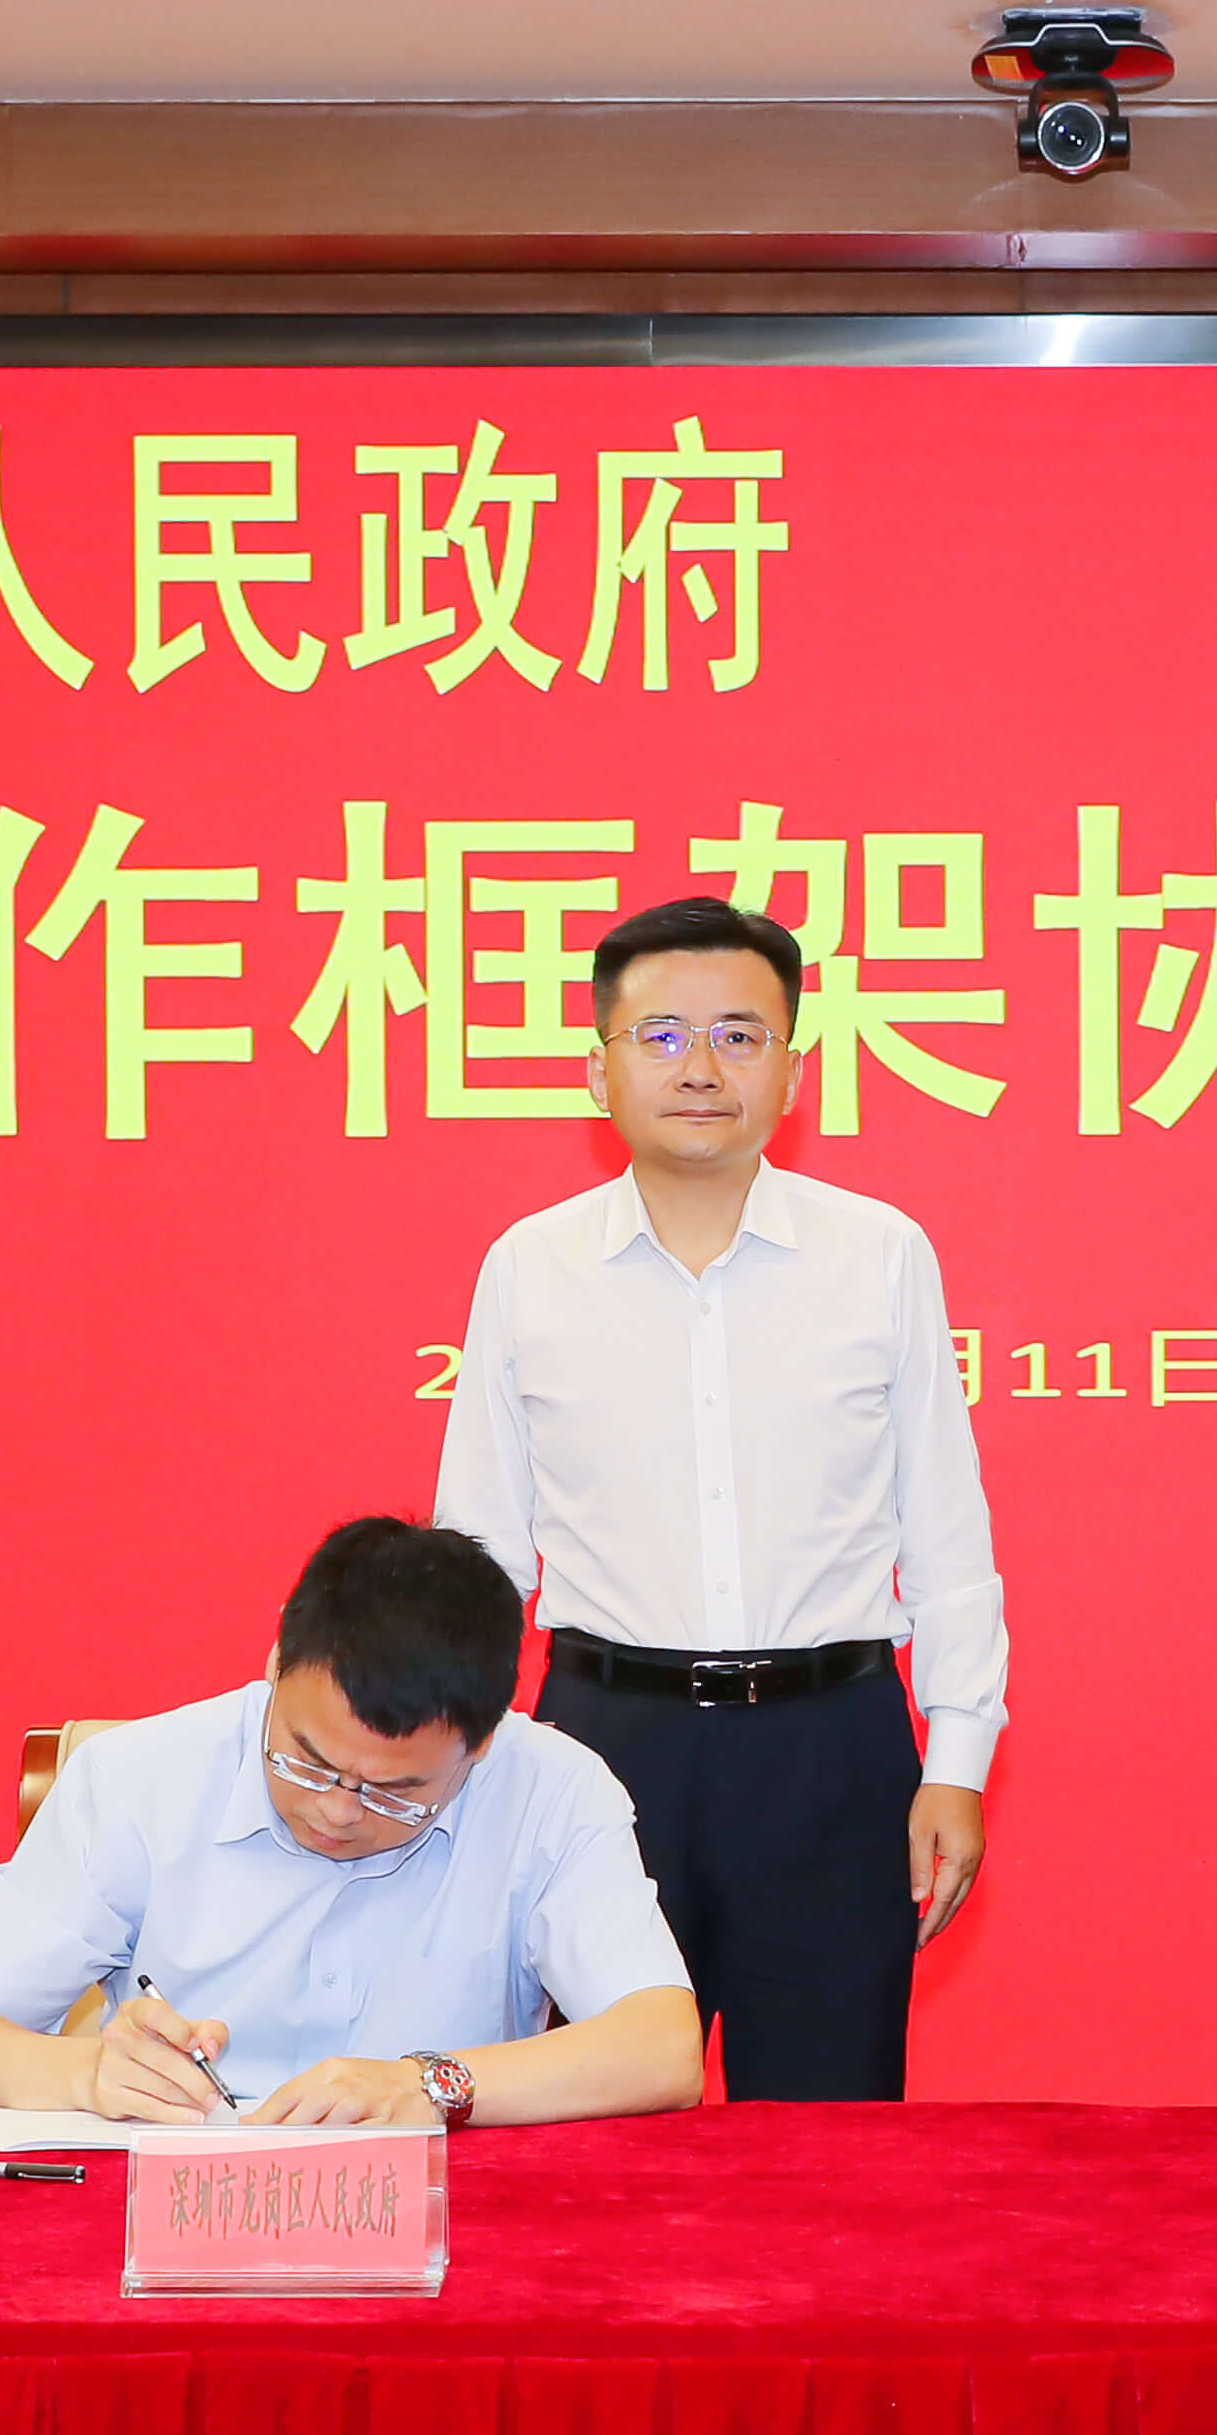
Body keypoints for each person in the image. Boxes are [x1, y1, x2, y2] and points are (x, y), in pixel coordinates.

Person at [434, 892, 1005, 2103]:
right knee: (593, 2129)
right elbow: (479, 1550)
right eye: (660, 1035)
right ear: (597, 1070)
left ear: (791, 1072)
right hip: (601, 1746)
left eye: (739, 1035)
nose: (700, 1067)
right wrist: (450, 1756)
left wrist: (955, 1759)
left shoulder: (879, 1254)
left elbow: (945, 1533)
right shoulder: (528, 1266)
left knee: (829, 2139)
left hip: (832, 1748)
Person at [0, 1514, 700, 2128]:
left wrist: (424, 2083)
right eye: (306, 1761)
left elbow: (662, 2047)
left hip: (447, 2218)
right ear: (277, 1656)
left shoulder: (553, 1790)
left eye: (396, 1792)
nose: (337, 1810)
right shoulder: (136, 1777)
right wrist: (90, 2076)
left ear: (481, 1741)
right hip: (174, 2206)